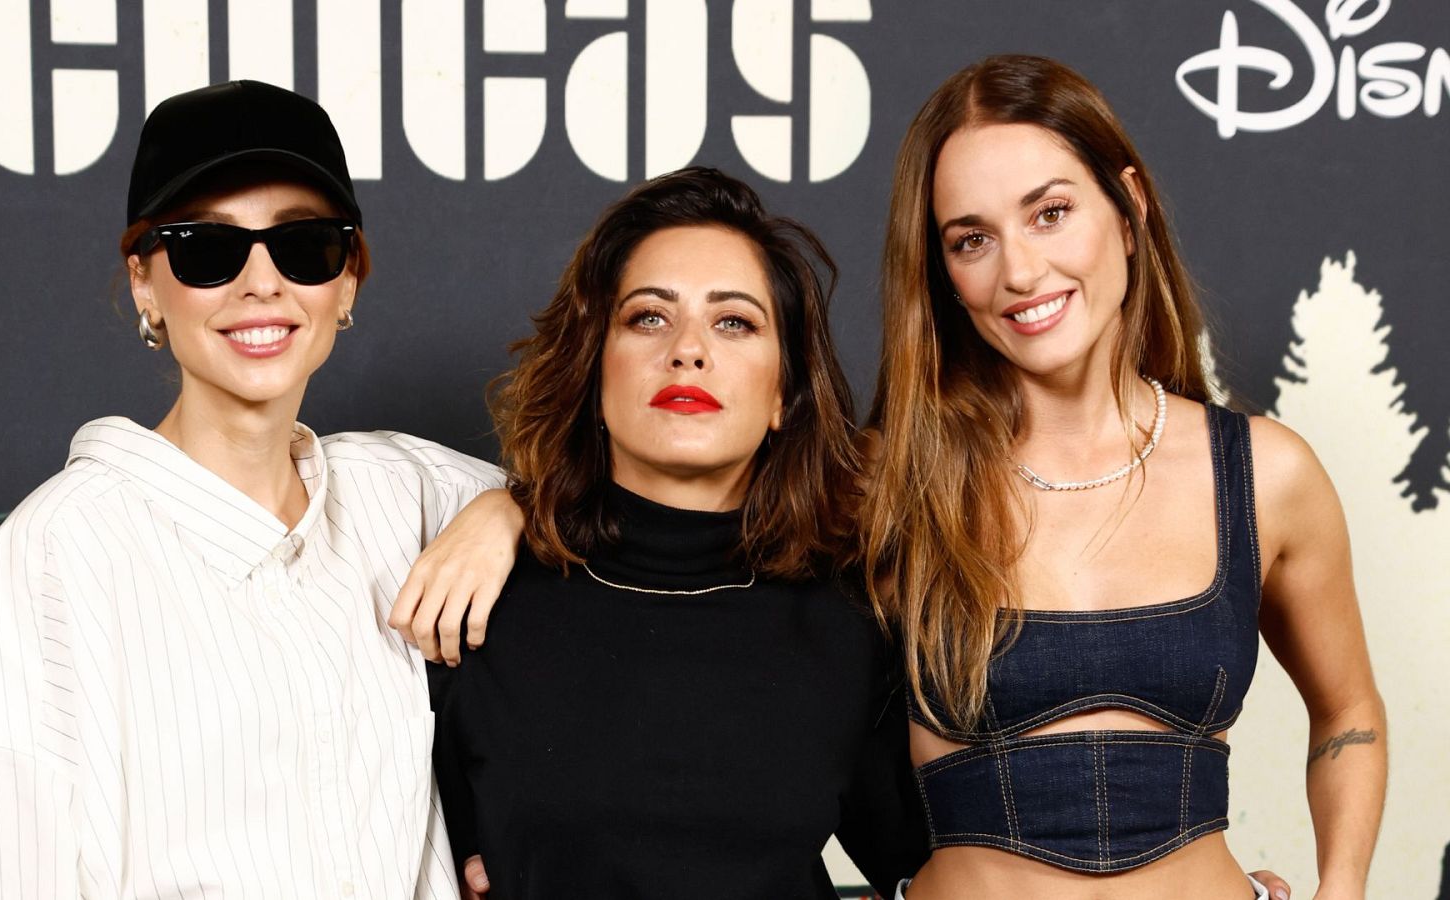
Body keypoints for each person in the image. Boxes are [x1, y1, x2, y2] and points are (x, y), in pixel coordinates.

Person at [0, 80, 508, 899]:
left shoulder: (408, 492)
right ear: (146, 283)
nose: (261, 282)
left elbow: (625, 499)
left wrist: (510, 511)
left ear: (348, 281)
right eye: (206, 248)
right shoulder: (58, 551)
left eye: (304, 245)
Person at [859, 55, 1386, 899]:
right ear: (941, 272)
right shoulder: (887, 485)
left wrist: (1343, 888)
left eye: (1052, 213)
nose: (1020, 273)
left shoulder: (1264, 474)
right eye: (972, 239)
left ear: (1129, 208)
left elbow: (1349, 712)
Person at [427, 167, 927, 898]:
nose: (688, 349)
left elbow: (932, 866)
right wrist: (507, 506)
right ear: (594, 369)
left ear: (784, 394)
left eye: (734, 322)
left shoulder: (848, 620)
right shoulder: (478, 602)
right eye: (648, 318)